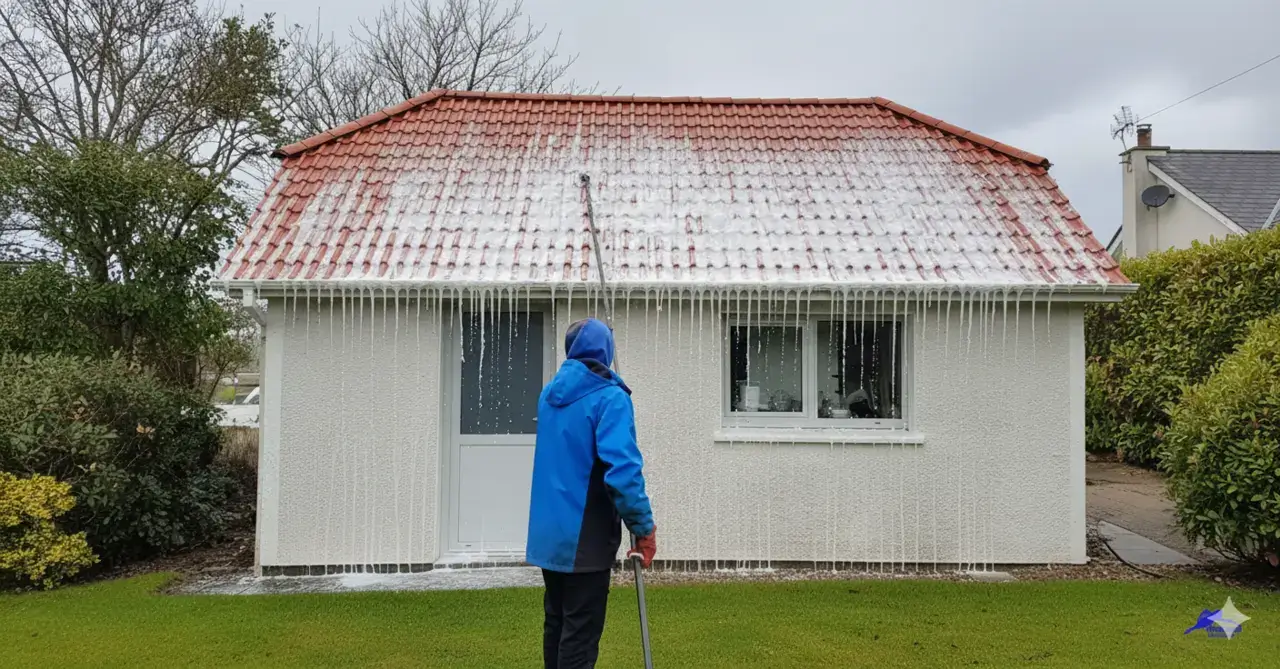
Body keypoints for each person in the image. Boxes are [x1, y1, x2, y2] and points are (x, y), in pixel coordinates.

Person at [526, 317, 656, 669]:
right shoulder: (610, 398)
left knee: (557, 623)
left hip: (549, 535)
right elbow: (624, 474)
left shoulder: (549, 395)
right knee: (580, 637)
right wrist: (644, 528)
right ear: (607, 351)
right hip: (584, 537)